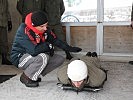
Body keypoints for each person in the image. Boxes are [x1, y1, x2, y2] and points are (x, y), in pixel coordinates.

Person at [10, 11, 82, 87]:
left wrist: (69, 48)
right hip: (20, 58)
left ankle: (34, 73)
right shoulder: (24, 31)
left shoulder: (44, 30)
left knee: (59, 59)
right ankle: (26, 77)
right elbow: (34, 51)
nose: (45, 28)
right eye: (42, 26)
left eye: (46, 25)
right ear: (33, 25)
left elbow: (55, 40)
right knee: (43, 57)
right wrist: (48, 46)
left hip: (32, 56)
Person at [0, 0, 12, 65]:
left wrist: (9, 20)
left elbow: (7, 10)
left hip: (3, 22)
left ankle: (4, 59)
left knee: (4, 41)